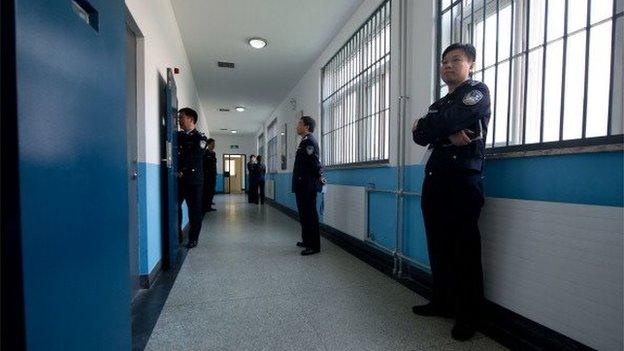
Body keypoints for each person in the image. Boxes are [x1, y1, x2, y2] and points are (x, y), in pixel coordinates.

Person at [411, 43, 490, 341]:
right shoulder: (440, 104)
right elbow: (420, 136)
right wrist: (439, 129)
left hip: (462, 180)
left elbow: (436, 125)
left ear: (470, 64)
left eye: (455, 60)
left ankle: (469, 315)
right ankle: (442, 301)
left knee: (464, 250)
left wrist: (431, 126)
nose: (447, 65)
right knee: (439, 245)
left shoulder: (477, 92)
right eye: (444, 61)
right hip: (435, 178)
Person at [292, 116, 325, 256]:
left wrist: (319, 176)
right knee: (304, 214)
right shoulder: (304, 141)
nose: (297, 126)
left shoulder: (309, 141)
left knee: (310, 214)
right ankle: (306, 241)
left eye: (299, 124)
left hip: (307, 185)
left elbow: (314, 162)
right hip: (302, 184)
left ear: (306, 127)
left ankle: (314, 246)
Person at [176, 107, 208, 249]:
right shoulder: (179, 136)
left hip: (193, 180)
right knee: (175, 207)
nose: (179, 120)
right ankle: (177, 235)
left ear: (191, 119)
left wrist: (183, 171)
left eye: (181, 117)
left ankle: (193, 238)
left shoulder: (200, 138)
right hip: (179, 180)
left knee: (194, 210)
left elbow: (195, 158)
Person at [202, 138, 217, 212]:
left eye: (214, 144)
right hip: (207, 176)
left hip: (213, 175)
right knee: (207, 192)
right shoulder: (205, 153)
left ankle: (209, 206)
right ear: (208, 144)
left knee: (212, 191)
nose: (214, 145)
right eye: (212, 144)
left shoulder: (213, 153)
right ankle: (205, 207)